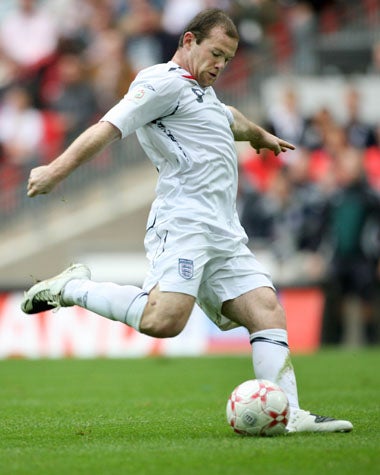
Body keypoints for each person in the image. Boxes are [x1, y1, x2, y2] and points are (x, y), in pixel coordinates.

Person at [21, 8, 352, 433]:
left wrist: (259, 135)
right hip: (184, 221)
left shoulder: (202, 93)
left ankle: (290, 415)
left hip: (224, 229)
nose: (220, 65)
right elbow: (107, 128)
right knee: (165, 321)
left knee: (267, 309)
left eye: (227, 60)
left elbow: (229, 117)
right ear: (189, 40)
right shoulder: (160, 82)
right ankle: (72, 287)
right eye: (215, 53)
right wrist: (55, 171)